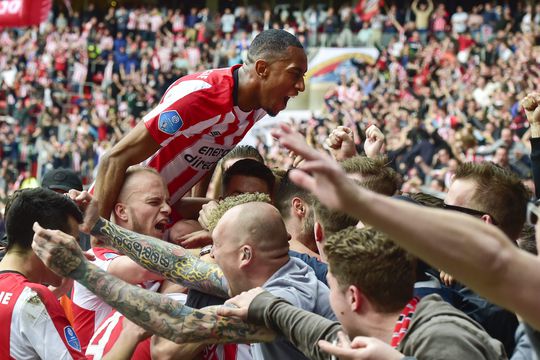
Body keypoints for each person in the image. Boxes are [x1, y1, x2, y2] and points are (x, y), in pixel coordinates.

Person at [270, 122, 540, 338]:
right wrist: (355, 166)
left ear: (484, 227)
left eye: (448, 210)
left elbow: (366, 259)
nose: (437, 215)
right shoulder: (468, 277)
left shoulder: (482, 310)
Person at [32, 193, 333, 359]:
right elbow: (177, 264)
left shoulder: (281, 301)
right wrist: (101, 227)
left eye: (216, 248)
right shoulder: (273, 272)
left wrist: (82, 271)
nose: (209, 256)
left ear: (245, 255)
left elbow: (178, 324)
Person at [94, 29, 307, 219]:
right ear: (262, 69)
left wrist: (202, 217)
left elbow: (212, 149)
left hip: (163, 212)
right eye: (295, 73)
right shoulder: (199, 96)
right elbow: (113, 158)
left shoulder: (257, 105)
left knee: (248, 212)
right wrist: (100, 237)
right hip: (119, 213)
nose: (301, 86)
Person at [219, 226, 506, 360]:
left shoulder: (442, 336)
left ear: (354, 298)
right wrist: (268, 306)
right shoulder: (390, 333)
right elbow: (326, 336)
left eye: (330, 286)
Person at [0, 188, 86, 359]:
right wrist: (128, 332)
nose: (79, 253)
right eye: (72, 243)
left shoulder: (27, 300)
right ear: (46, 239)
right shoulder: (33, 299)